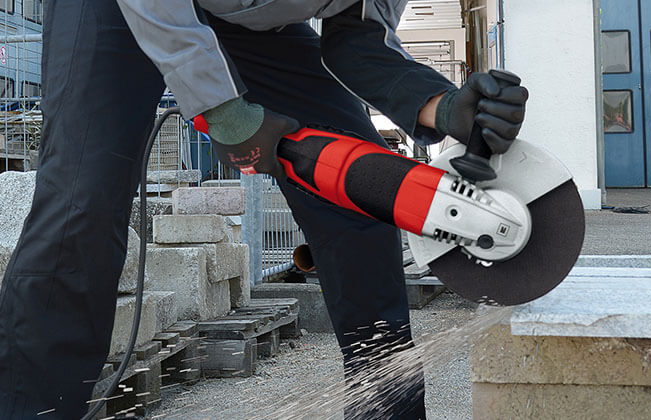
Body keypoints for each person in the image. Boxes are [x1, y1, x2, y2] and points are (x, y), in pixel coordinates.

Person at [0, 0, 528, 418]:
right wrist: (223, 110)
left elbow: (360, 40)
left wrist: (441, 105)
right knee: (79, 209)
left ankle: (385, 408)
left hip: (246, 21)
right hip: (116, 7)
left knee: (361, 198)